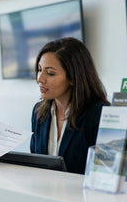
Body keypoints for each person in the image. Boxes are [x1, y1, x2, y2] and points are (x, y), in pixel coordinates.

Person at [30, 37, 110, 174]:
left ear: (73, 77)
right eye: (39, 70)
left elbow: (105, 170)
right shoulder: (39, 112)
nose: (40, 79)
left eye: (50, 73)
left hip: (83, 194)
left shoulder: (99, 113)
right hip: (44, 193)